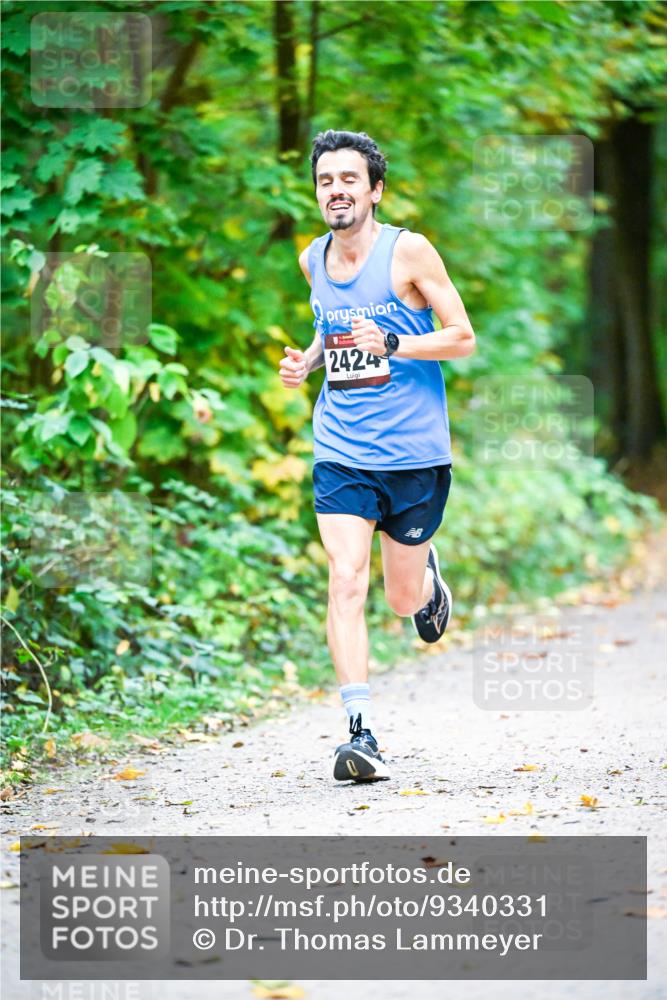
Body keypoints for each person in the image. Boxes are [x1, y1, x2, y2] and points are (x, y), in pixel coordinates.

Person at [279, 129, 475, 783]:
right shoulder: (311, 259)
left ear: (374, 190)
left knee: (396, 599)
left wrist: (393, 342)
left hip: (414, 451)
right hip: (341, 447)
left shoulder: (408, 252)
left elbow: (461, 338)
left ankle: (425, 582)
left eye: (347, 179)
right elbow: (327, 326)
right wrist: (305, 362)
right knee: (344, 579)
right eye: (324, 180)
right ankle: (359, 732)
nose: (335, 190)